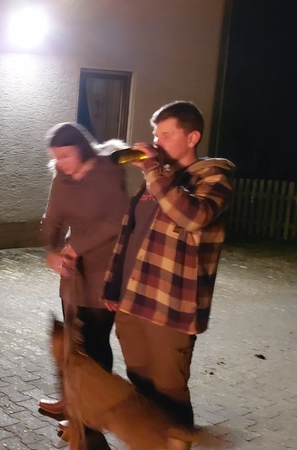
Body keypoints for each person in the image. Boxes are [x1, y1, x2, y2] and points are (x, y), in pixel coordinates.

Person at [102, 101, 235, 433]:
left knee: (170, 389)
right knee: (140, 381)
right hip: (133, 300)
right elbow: (130, 234)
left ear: (192, 138)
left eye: (166, 135)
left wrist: (152, 168)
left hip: (171, 305)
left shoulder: (214, 177)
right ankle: (151, 439)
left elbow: (193, 216)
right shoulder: (159, 179)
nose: (157, 142)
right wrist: (113, 286)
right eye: (155, 135)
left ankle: (177, 441)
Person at [38, 123, 130, 447]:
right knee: (73, 340)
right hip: (74, 273)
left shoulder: (107, 172)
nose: (61, 163)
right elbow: (52, 219)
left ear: (82, 148)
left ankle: (92, 416)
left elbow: (119, 219)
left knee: (95, 343)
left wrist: (77, 246)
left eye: (66, 155)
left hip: (106, 269)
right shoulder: (61, 179)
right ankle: (72, 402)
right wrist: (51, 250)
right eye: (56, 157)